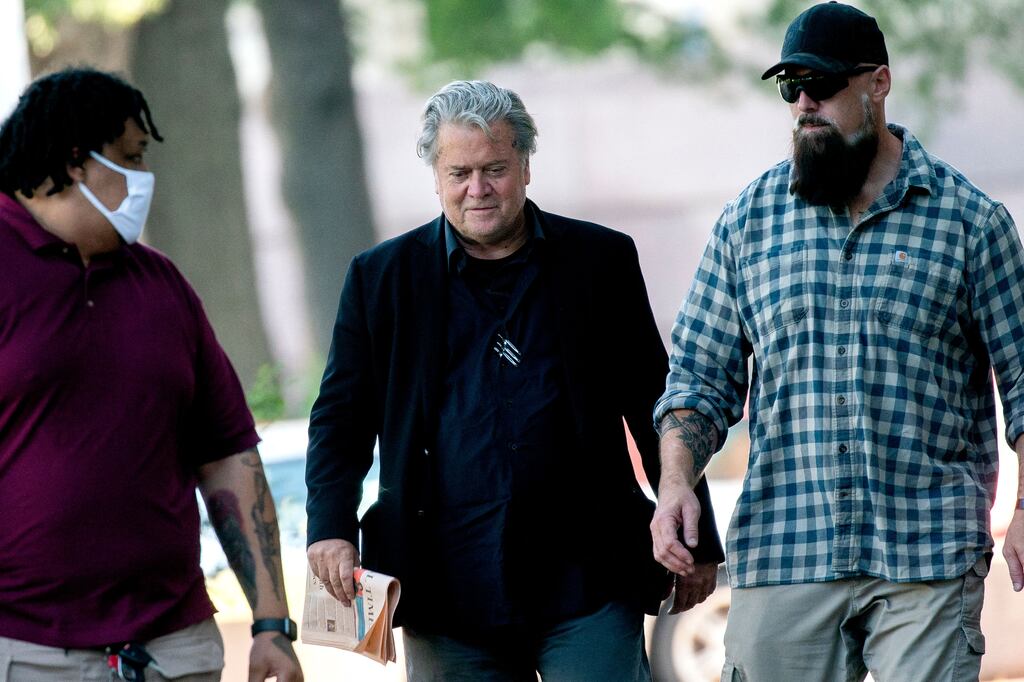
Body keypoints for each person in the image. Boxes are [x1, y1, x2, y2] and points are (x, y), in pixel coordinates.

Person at [651, 3, 1024, 681]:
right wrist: (676, 484)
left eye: (820, 84)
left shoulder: (971, 224)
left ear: (877, 84)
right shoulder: (748, 222)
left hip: (928, 555)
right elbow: (699, 382)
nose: (804, 102)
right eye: (790, 87)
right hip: (785, 551)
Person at [305, 79, 724, 681]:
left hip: (588, 579)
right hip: (444, 586)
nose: (478, 189)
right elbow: (340, 421)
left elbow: (654, 401)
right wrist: (330, 529)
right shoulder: (382, 279)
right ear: (436, 176)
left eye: (495, 169)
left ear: (526, 166)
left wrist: (697, 535)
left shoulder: (600, 261)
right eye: (460, 173)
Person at [0, 68, 302, 682]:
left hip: (174, 647)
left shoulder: (161, 285)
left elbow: (226, 456)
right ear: (77, 161)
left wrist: (272, 625)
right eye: (132, 157)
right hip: (24, 650)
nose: (146, 179)